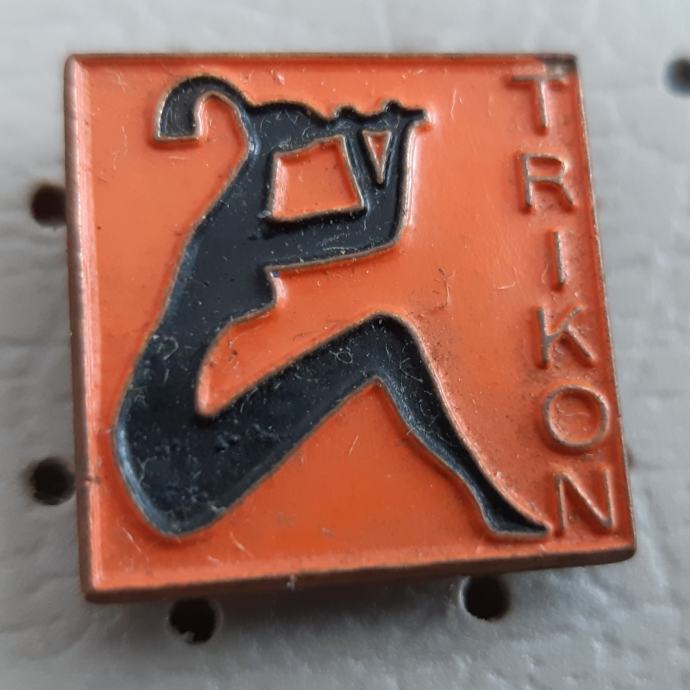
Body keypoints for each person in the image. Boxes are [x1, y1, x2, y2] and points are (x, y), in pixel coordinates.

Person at [116, 76, 544, 538]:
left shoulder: (234, 230)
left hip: (166, 448)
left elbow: (372, 225)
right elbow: (377, 228)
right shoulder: (233, 242)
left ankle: (487, 499)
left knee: (381, 342)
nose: (318, 135)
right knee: (381, 342)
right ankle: (486, 498)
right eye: (308, 133)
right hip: (171, 462)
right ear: (274, 146)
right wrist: (391, 137)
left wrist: (362, 142)